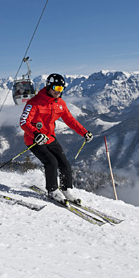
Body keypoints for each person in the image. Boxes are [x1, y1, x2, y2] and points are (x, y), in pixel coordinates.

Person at [19, 73, 93, 203]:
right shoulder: (34, 102)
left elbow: (70, 120)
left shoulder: (60, 104)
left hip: (50, 138)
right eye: (57, 88)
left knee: (64, 163)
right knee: (51, 162)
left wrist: (84, 132)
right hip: (34, 140)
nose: (59, 92)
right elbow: (24, 122)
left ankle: (66, 189)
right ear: (49, 87)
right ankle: (52, 190)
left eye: (61, 89)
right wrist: (36, 134)